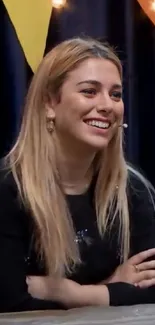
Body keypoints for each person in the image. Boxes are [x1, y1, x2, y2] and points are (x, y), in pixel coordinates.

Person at [1, 37, 155, 313]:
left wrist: (66, 291)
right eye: (90, 91)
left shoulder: (132, 190)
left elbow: (151, 290)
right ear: (50, 103)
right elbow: (9, 298)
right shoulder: (7, 188)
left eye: (116, 94)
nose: (108, 105)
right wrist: (111, 288)